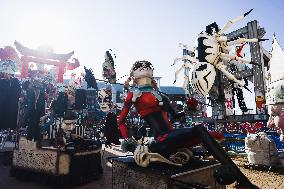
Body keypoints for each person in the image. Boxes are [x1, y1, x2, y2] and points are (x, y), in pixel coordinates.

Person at [118, 60, 257, 189]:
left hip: (169, 138)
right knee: (199, 130)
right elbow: (121, 121)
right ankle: (244, 182)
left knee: (206, 134)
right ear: (133, 74)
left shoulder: (159, 93)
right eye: (138, 66)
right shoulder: (133, 94)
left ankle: (241, 180)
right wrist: (127, 140)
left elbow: (176, 117)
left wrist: (189, 108)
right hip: (158, 141)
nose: (144, 66)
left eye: (147, 65)